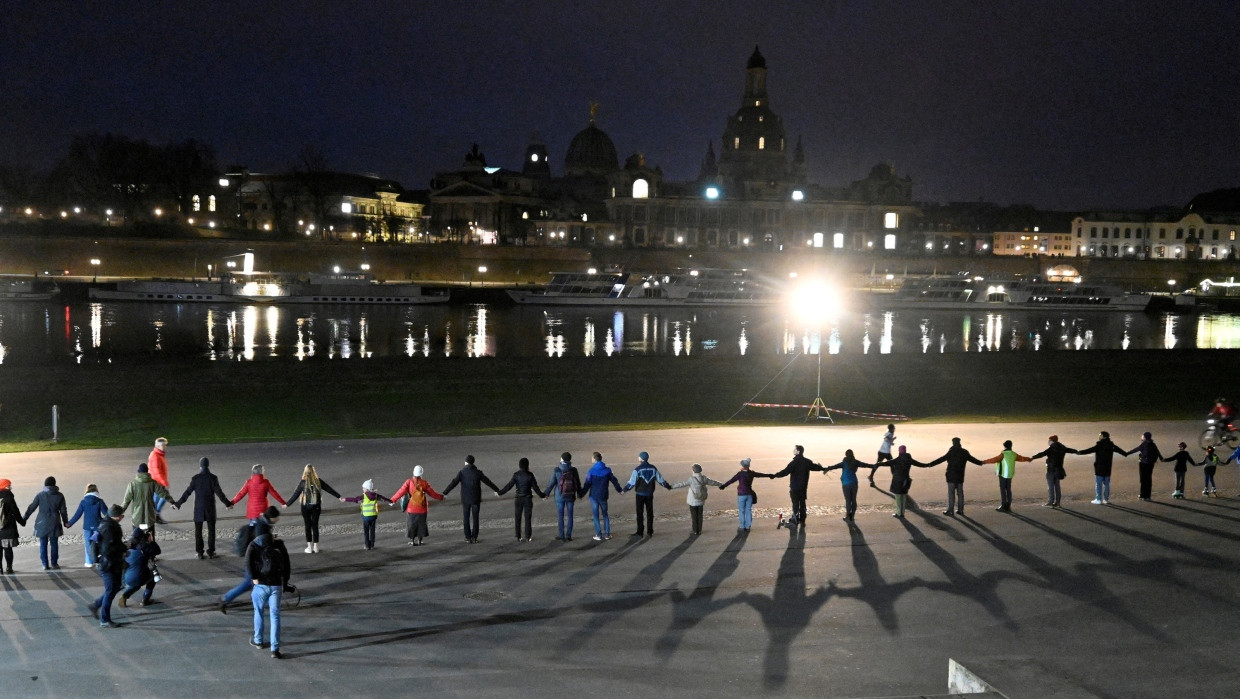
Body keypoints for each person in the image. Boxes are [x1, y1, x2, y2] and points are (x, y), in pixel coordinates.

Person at [220, 506, 281, 614]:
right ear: (272, 517)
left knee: (255, 582)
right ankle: (226, 598)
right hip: (254, 560)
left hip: (254, 558)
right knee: (249, 582)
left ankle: (261, 600)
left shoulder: (263, 523)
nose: (278, 519)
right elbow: (261, 545)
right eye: (276, 517)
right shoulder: (262, 527)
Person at [174, 457, 233, 559]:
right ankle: (211, 551)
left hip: (199, 509)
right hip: (210, 508)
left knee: (198, 531)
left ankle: (200, 552)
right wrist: (227, 504)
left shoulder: (195, 478)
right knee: (211, 531)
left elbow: (187, 493)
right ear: (208, 465)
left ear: (200, 466)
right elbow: (219, 493)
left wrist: (178, 503)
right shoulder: (213, 478)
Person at [246, 532, 292, 659]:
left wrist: (254, 577)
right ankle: (275, 648)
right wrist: (285, 583)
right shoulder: (279, 545)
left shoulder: (254, 545)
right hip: (276, 585)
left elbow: (248, 563)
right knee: (275, 615)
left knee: (259, 611)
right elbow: (287, 565)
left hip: (260, 584)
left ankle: (258, 640)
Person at [442, 455, 500, 544]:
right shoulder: (478, 472)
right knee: (476, 518)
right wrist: (497, 490)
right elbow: (488, 482)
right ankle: (474, 537)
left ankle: (468, 537)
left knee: (466, 518)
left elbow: (454, 483)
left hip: (465, 499)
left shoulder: (462, 472)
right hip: (476, 498)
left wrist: (445, 493)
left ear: (466, 462)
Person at [284, 464, 342, 554]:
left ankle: (309, 547)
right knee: (315, 525)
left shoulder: (303, 482)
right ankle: (316, 547)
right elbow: (329, 489)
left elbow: (296, 494)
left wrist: (287, 504)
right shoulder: (318, 481)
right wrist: (339, 497)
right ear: (314, 471)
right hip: (316, 506)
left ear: (305, 472)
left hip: (305, 506)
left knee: (307, 526)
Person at [923, 437, 984, 515]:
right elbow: (973, 460)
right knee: (960, 493)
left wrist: (930, 464)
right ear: (959, 442)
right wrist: (981, 462)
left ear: (953, 443)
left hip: (951, 476)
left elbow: (941, 459)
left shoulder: (951, 452)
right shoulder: (964, 452)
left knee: (951, 493)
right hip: (960, 476)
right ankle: (961, 510)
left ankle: (950, 510)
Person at [87, 505, 126, 628]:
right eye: (122, 515)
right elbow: (109, 548)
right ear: (118, 516)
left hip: (111, 563)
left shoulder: (106, 524)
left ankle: (96, 605)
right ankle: (104, 620)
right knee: (111, 590)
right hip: (108, 564)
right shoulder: (109, 527)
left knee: (116, 587)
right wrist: (125, 547)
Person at [770, 445, 825, 525]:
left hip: (795, 487)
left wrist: (774, 475)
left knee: (795, 503)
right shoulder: (807, 461)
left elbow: (785, 472)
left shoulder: (793, 463)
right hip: (803, 487)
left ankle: (795, 519)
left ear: (798, 451)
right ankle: (802, 520)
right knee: (802, 503)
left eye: (795, 450)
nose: (793, 451)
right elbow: (815, 467)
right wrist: (822, 468)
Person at [389, 465, 444, 546]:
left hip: (411, 509)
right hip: (422, 509)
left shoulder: (409, 482)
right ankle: (420, 540)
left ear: (413, 473)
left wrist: (392, 500)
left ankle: (412, 540)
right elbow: (432, 493)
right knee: (421, 525)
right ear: (421, 474)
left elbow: (400, 491)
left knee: (411, 525)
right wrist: (441, 497)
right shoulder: (424, 483)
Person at [622, 451, 673, 537]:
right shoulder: (653, 468)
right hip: (649, 494)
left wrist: (624, 490)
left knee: (640, 513)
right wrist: (667, 486)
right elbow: (660, 480)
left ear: (641, 459)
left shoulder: (637, 469)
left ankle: (640, 532)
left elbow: (632, 482)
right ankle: (650, 531)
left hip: (640, 494)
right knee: (650, 513)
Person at [24, 476, 70, 570]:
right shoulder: (60, 495)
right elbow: (63, 510)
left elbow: (32, 507)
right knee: (54, 543)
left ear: (45, 485)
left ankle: (45, 564)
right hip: (55, 522)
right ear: (54, 484)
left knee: (43, 543)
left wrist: (25, 518)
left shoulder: (40, 495)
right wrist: (65, 522)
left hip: (42, 522)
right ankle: (54, 563)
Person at [871, 445, 930, 518]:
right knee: (904, 496)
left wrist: (878, 464)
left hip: (897, 481)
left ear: (899, 451)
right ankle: (902, 513)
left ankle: (899, 513)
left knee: (898, 498)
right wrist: (928, 465)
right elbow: (920, 464)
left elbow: (887, 463)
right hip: (906, 480)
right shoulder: (909, 459)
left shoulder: (897, 459)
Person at [497, 457, 547, 542]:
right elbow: (536, 488)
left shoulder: (516, 474)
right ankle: (528, 536)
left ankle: (518, 536)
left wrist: (500, 493)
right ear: (527, 465)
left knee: (518, 517)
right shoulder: (530, 475)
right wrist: (542, 496)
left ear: (519, 465)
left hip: (518, 499)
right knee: (527, 518)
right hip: (527, 499)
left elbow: (509, 486)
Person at [719, 458, 773, 532]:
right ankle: (748, 526)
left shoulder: (740, 474)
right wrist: (769, 475)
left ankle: (742, 526)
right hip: (749, 494)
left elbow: (731, 481)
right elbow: (760, 475)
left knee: (742, 511)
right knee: (748, 510)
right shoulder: (751, 473)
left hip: (741, 494)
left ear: (743, 466)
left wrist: (723, 486)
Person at [1076, 431, 1127, 505]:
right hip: (1108, 468)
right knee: (1107, 484)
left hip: (1099, 468)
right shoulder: (1111, 445)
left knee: (1098, 484)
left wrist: (1079, 452)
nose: (1099, 436)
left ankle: (1098, 499)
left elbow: (1089, 450)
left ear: (1104, 436)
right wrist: (1126, 454)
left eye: (1100, 435)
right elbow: (1120, 451)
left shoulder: (1099, 445)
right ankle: (1106, 499)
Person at [670, 463, 723, 535]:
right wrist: (721, 484)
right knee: (700, 516)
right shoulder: (704, 478)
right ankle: (699, 530)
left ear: (693, 471)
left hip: (692, 501)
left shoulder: (691, 479)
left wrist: (671, 486)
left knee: (694, 516)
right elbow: (713, 482)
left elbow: (681, 484)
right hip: (701, 500)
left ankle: (695, 530)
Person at [580, 452, 622, 541]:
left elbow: (587, 484)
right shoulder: (607, 470)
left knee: (596, 515)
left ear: (595, 459)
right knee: (605, 514)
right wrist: (619, 490)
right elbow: (614, 481)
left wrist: (581, 494)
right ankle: (607, 534)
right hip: (603, 495)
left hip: (594, 496)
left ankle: (598, 534)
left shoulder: (591, 471)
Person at [121, 463, 173, 535]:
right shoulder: (153, 483)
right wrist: (172, 501)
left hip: (137, 518)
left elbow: (126, 501)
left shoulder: (132, 484)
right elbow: (163, 494)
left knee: (137, 539)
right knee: (150, 540)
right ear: (147, 472)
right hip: (149, 518)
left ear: (138, 472)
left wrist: (119, 513)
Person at [341, 479, 393, 550]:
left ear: (367, 488)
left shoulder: (363, 496)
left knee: (366, 532)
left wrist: (346, 499)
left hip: (366, 517)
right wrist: (391, 501)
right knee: (372, 531)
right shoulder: (375, 495)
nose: (362, 489)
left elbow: (355, 499)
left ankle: (367, 545)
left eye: (363, 488)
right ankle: (372, 545)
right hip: (373, 516)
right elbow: (383, 498)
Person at [981, 441, 1031, 513]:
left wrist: (984, 462)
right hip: (1010, 474)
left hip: (1003, 474)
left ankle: (1003, 506)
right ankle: (1008, 506)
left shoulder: (1003, 454)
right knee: (1008, 490)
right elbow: (1022, 458)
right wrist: (1028, 459)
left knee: (1003, 490)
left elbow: (994, 459)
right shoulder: (1013, 454)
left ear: (1004, 446)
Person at [66, 484, 109, 567]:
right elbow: (106, 514)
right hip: (97, 526)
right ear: (96, 491)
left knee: (88, 544)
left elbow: (77, 515)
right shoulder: (100, 501)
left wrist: (69, 523)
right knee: (98, 543)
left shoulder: (83, 502)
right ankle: (98, 561)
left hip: (87, 527)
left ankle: (88, 562)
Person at [823, 450, 873, 522]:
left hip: (846, 483)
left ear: (846, 455)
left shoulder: (844, 463)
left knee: (848, 500)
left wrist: (826, 468)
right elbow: (865, 465)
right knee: (853, 499)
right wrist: (874, 466)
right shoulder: (856, 462)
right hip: (854, 482)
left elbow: (834, 466)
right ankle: (852, 517)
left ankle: (847, 517)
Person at [1030, 435, 1077, 508]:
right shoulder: (1062, 447)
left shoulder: (1051, 448)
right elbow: (1070, 450)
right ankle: (1058, 502)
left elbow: (1042, 454)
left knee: (1050, 486)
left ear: (1052, 441)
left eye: (1049, 440)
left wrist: (1033, 457)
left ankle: (1050, 502)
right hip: (1059, 470)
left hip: (1051, 470)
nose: (1048, 442)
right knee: (1057, 486)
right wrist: (1077, 451)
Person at [119, 527, 161, 608]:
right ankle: (145, 599)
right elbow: (157, 551)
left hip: (125, 577)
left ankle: (125, 595)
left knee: (136, 584)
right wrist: (151, 541)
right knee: (153, 577)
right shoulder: (144, 548)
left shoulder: (126, 547)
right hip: (139, 576)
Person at [547, 453, 582, 541]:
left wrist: (545, 494)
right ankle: (569, 535)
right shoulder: (574, 470)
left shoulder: (557, 470)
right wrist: (580, 494)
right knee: (570, 515)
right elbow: (577, 483)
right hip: (570, 496)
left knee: (560, 515)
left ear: (562, 459)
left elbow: (551, 484)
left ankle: (561, 535)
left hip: (559, 496)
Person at [1125, 432, 1163, 501]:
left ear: (1145, 437)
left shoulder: (1144, 444)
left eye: (1142, 436)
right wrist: (1161, 458)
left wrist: (1127, 453)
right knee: (1148, 479)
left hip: (1143, 463)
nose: (1141, 437)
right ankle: (1148, 496)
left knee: (1143, 479)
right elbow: (1157, 452)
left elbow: (1136, 449)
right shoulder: (1153, 444)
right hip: (1151, 463)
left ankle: (1142, 495)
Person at [0, 479, 27, 574]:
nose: (11, 487)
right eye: (9, 485)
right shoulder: (9, 497)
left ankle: (0, 569)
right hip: (7, 527)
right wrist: (22, 522)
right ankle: (9, 568)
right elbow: (15, 512)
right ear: (5, 486)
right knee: (8, 549)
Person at [147, 437, 171, 525]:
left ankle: (154, 516)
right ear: (158, 446)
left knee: (156, 499)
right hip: (157, 482)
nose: (165, 447)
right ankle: (155, 515)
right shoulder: (155, 456)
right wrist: (164, 482)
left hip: (157, 482)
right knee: (163, 497)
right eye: (164, 445)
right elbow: (156, 471)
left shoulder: (159, 454)